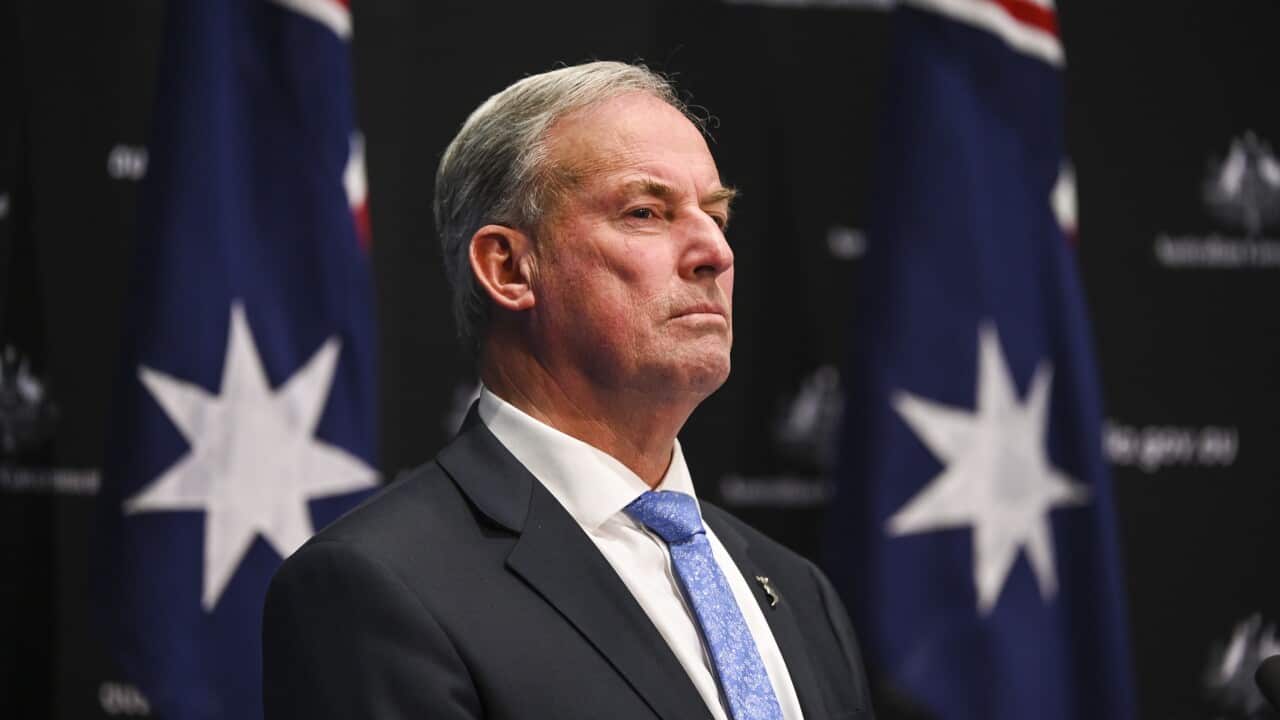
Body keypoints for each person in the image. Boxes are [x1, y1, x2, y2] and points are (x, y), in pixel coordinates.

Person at [262, 61, 874, 720]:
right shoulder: (378, 585)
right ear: (509, 268)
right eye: (647, 211)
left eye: (716, 214)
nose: (714, 252)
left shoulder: (798, 590)